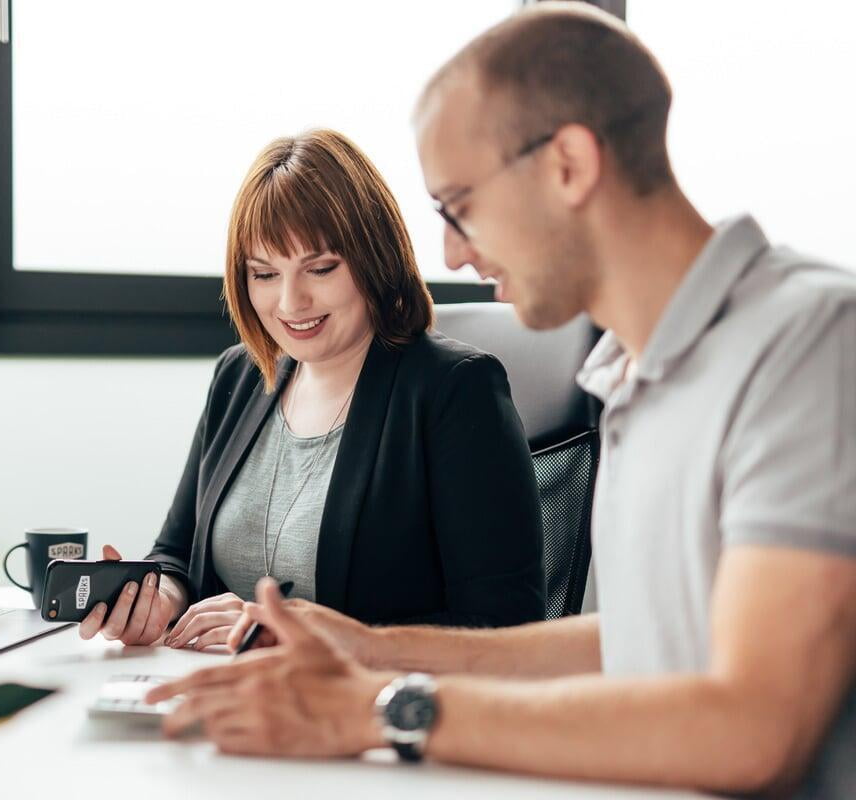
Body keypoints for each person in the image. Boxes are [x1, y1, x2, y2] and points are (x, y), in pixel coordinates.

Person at [146, 5, 856, 798]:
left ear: (568, 165)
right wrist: (368, 647)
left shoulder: (814, 340)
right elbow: (635, 643)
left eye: (460, 205)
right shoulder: (632, 373)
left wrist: (383, 709)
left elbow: (756, 729)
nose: (450, 250)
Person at [78, 128, 544, 650]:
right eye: (264, 274)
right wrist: (158, 597)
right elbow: (176, 553)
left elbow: (505, 626)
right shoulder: (239, 377)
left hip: (365, 714)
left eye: (320, 268)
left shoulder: (455, 392)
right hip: (222, 697)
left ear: (375, 258)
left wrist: (300, 638)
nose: (291, 302)